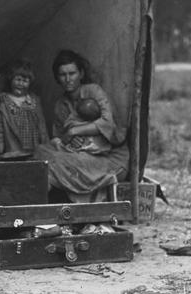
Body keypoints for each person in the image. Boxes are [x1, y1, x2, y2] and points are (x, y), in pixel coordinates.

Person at [33, 49, 129, 203]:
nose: (68, 79)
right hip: (78, 155)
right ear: (57, 78)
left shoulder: (93, 91)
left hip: (108, 158)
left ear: (81, 74)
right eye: (62, 75)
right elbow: (59, 137)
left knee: (52, 163)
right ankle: (40, 207)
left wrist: (75, 131)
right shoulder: (61, 105)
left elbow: (107, 123)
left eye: (72, 73)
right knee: (40, 152)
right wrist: (69, 139)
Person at [0, 59, 48, 159]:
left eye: (25, 81)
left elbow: (42, 126)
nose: (21, 84)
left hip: (34, 151)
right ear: (10, 79)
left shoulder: (34, 101)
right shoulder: (3, 102)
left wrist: (45, 144)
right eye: (18, 79)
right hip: (13, 150)